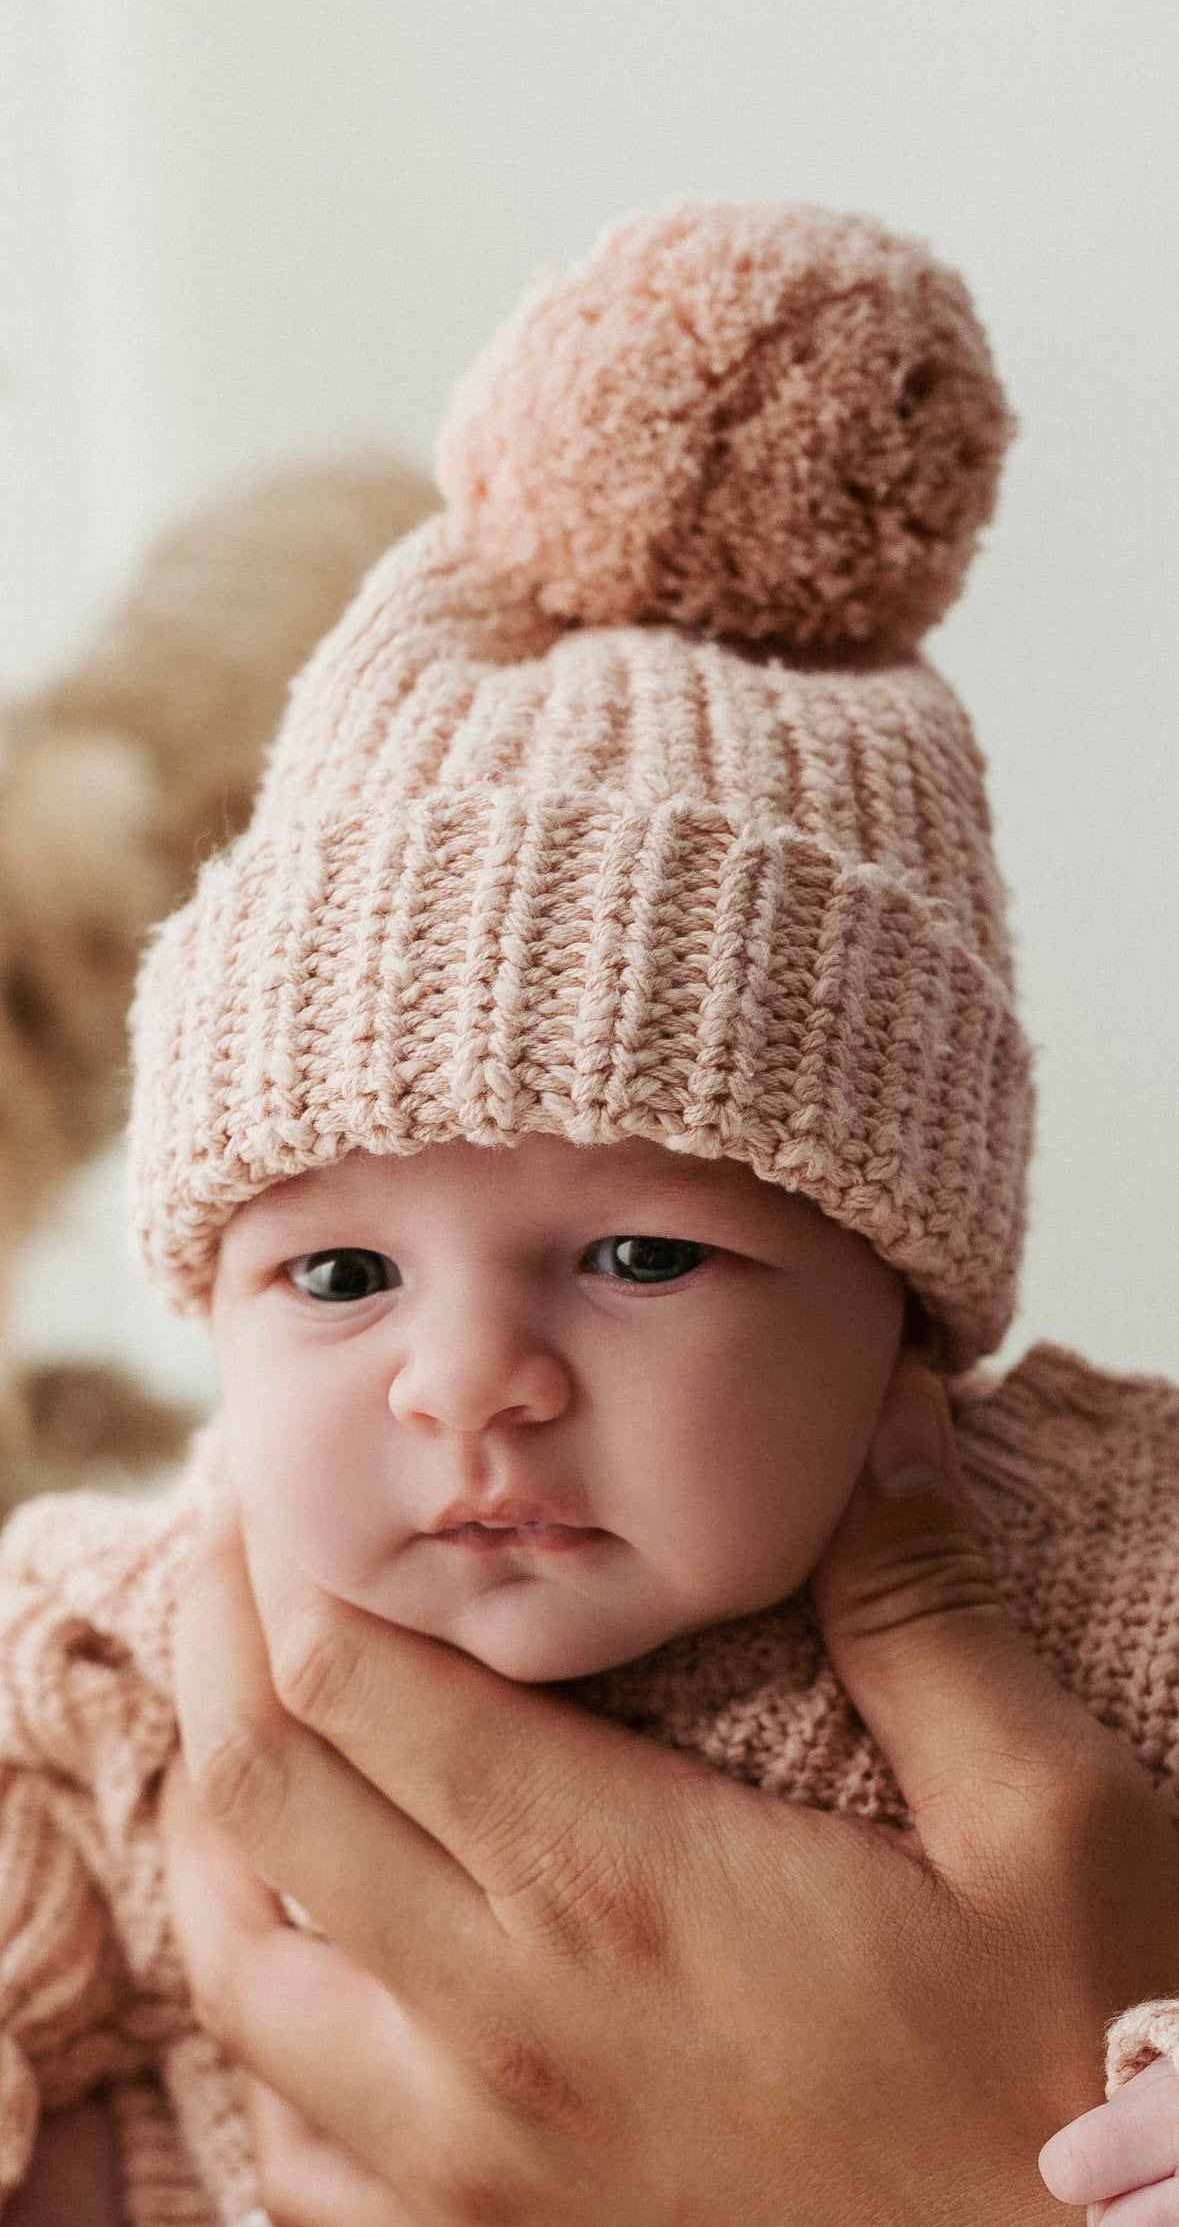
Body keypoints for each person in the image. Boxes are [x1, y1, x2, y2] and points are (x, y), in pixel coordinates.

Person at [1, 201, 1177, 2224]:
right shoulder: (125, 1635)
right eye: (339, 1271)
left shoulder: (1107, 1581)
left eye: (636, 1254)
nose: (468, 1382)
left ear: (901, 1300)